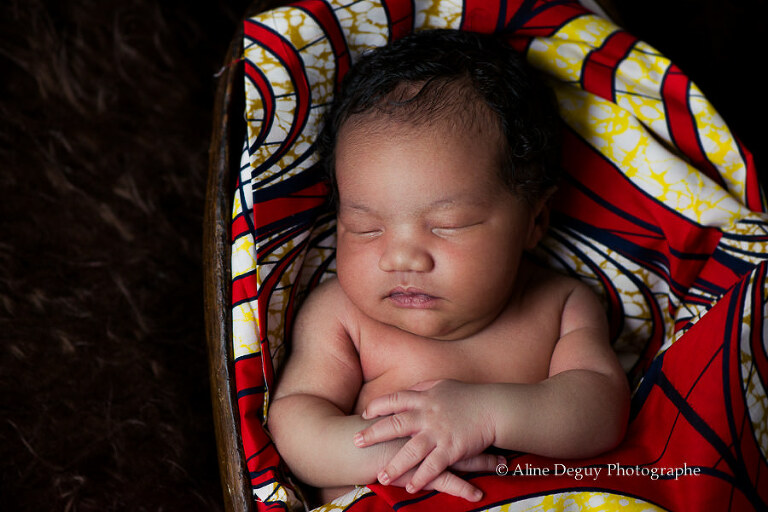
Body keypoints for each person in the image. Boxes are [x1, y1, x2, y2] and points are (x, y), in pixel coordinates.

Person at [267, 29, 630, 505]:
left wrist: (487, 414)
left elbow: (602, 411)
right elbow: (294, 418)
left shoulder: (560, 305)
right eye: (364, 227)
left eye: (447, 225)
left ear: (534, 220)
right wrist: (385, 456)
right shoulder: (342, 314)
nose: (401, 258)